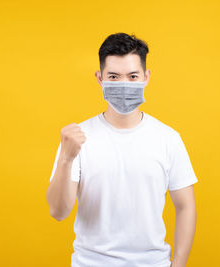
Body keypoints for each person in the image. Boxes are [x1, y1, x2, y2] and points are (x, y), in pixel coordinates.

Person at [46, 32, 199, 267]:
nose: (124, 84)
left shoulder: (168, 138)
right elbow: (58, 211)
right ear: (99, 78)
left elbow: (186, 205)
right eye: (114, 77)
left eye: (133, 76)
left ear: (146, 77)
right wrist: (66, 159)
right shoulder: (77, 139)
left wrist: (178, 264)